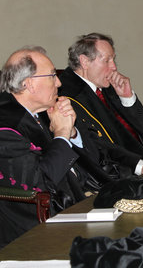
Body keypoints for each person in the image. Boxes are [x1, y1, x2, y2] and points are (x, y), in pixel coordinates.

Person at [58, 33, 143, 169]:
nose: (114, 67)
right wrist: (139, 165)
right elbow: (97, 145)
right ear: (84, 61)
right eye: (107, 60)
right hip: (117, 168)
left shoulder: (106, 85)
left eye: (113, 60)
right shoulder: (68, 97)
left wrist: (127, 98)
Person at [0, 46, 86, 248]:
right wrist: (62, 134)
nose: (59, 82)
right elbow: (42, 184)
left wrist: (70, 132)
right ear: (29, 84)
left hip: (74, 202)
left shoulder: (35, 113)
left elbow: (90, 160)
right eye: (52, 76)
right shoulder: (6, 127)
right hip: (33, 230)